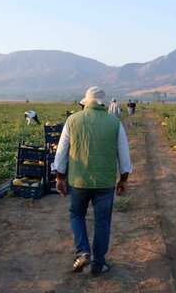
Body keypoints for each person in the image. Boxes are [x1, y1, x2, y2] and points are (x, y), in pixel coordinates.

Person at [52, 86, 132, 276]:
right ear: (103, 104)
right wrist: (123, 179)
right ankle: (98, 264)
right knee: (102, 222)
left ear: (85, 103)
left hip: (78, 181)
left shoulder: (72, 120)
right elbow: (124, 155)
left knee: (76, 214)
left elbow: (61, 152)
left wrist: (60, 177)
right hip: (105, 183)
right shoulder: (114, 122)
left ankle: (83, 251)